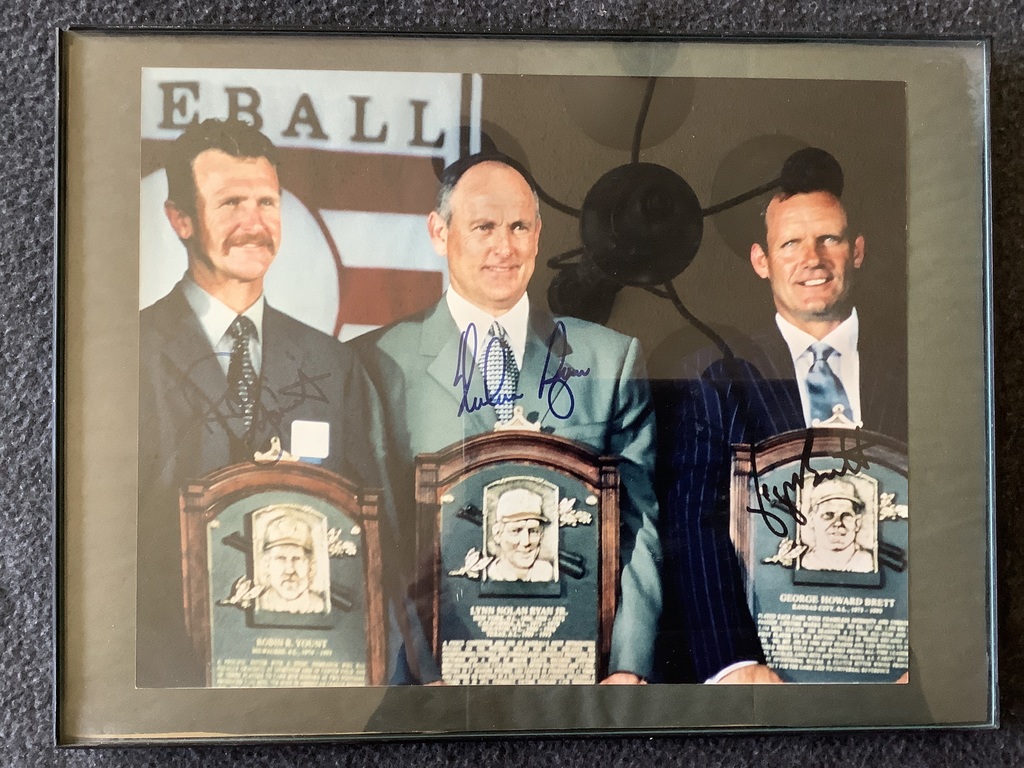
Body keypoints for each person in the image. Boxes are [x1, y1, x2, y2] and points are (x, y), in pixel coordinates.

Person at [354, 152, 662, 685]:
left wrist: (628, 667)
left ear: (539, 236)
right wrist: (421, 677)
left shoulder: (610, 360)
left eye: (519, 226)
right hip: (435, 686)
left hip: (575, 679)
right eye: (484, 227)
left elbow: (639, 525)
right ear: (439, 232)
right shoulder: (377, 364)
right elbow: (379, 544)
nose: (505, 246)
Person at [137, 118, 388, 687]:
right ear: (179, 219)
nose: (254, 224)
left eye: (267, 203)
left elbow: (371, 538)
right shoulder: (129, 353)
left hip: (305, 669)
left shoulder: (333, 364)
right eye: (230, 203)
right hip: (169, 677)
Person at [655, 164, 907, 684]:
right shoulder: (716, 378)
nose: (812, 259)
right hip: (768, 667)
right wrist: (735, 664)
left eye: (829, 239)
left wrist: (928, 658)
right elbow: (694, 526)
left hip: (899, 661)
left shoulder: (919, 368)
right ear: (761, 261)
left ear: (857, 250)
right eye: (790, 243)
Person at [257, 513, 328, 613]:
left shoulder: (318, 606)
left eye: (297, 559)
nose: (289, 570)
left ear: (311, 567)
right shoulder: (261, 604)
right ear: (266, 566)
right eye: (281, 558)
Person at [800, 478, 874, 573]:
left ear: (857, 522)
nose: (838, 523)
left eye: (846, 515)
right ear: (812, 520)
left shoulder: (866, 562)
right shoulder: (806, 562)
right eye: (828, 515)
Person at [486, 488, 555, 582]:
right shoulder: (493, 574)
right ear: (498, 534)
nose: (526, 542)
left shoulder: (547, 573)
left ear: (541, 534)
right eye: (516, 531)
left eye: (533, 531)